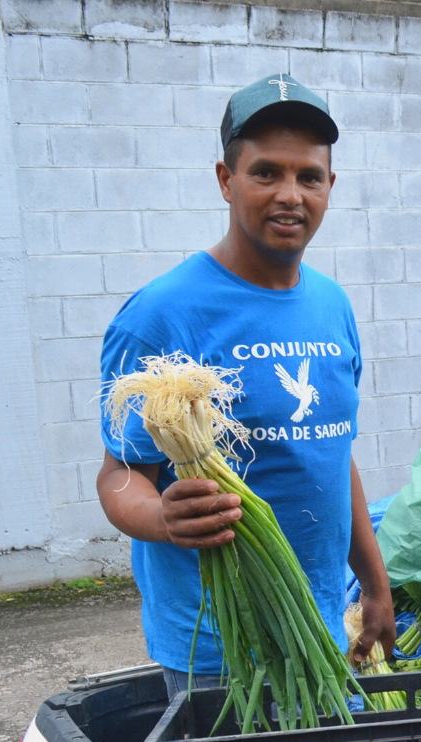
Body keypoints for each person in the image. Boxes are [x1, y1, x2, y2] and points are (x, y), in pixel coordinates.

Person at [96, 75, 395, 696]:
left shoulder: (332, 305)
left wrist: (373, 584)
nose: (291, 195)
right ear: (226, 180)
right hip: (218, 653)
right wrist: (162, 517)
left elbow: (333, 452)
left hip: (320, 627)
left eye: (309, 176)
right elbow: (119, 476)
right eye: (266, 173)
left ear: (329, 187)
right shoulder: (162, 316)